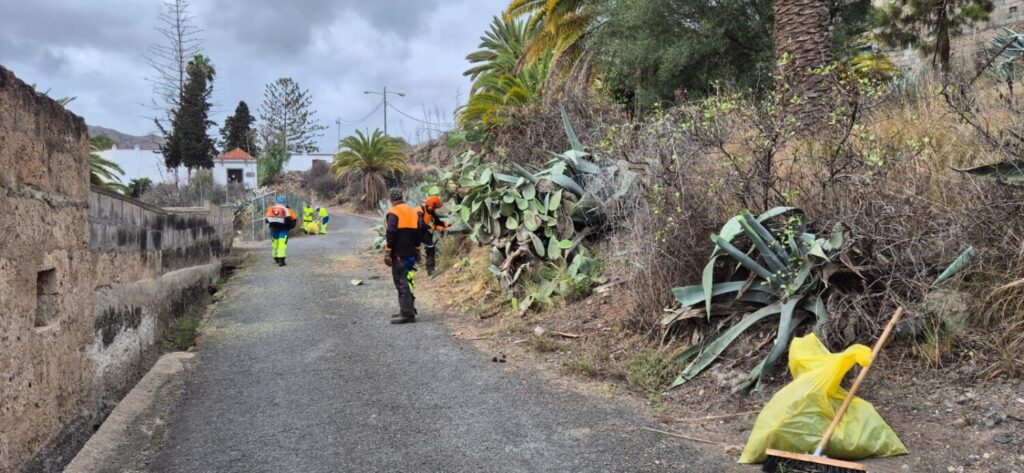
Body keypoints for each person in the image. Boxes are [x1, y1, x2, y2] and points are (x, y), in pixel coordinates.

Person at [384, 188, 426, 324]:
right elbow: (419, 232)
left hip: (399, 255)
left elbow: (391, 232)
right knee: (409, 280)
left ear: (391, 199)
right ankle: (408, 309)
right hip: (411, 254)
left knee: (401, 283)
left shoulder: (393, 213)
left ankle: (407, 315)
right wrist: (417, 249)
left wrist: (388, 251)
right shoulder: (412, 211)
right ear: (402, 196)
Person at [419, 195, 450, 275]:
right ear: (431, 205)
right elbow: (421, 225)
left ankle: (431, 270)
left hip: (424, 231)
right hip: (415, 232)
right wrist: (435, 227)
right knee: (429, 248)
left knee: (430, 249)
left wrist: (447, 225)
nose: (434, 209)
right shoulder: (420, 210)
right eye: (434, 207)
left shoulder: (431, 210)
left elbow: (437, 221)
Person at [264, 196, 297, 266]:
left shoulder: (271, 208)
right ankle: (281, 260)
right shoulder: (288, 209)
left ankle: (275, 257)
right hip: (283, 230)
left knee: (275, 244)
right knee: (282, 244)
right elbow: (293, 219)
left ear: (276, 202)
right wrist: (290, 226)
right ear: (284, 202)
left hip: (273, 229)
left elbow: (266, 220)